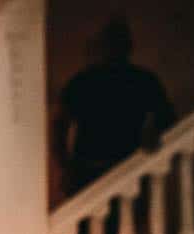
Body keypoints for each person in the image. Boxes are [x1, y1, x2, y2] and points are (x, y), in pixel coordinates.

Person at [53, 17, 175, 196]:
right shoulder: (83, 81)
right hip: (88, 172)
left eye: (119, 43)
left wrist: (154, 136)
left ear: (128, 46)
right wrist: (65, 166)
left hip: (130, 169)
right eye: (111, 43)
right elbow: (59, 125)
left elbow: (167, 117)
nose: (114, 49)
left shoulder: (143, 80)